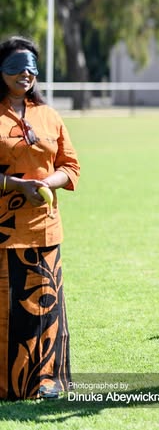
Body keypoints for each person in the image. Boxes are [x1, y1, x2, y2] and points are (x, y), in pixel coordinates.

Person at [0, 36, 80, 400]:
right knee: (7, 308)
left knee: (44, 309)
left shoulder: (49, 115)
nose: (25, 74)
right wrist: (15, 184)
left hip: (45, 229)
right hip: (5, 232)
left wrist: (48, 181)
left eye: (31, 67)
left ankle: (45, 380)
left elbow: (70, 165)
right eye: (16, 67)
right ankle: (8, 385)